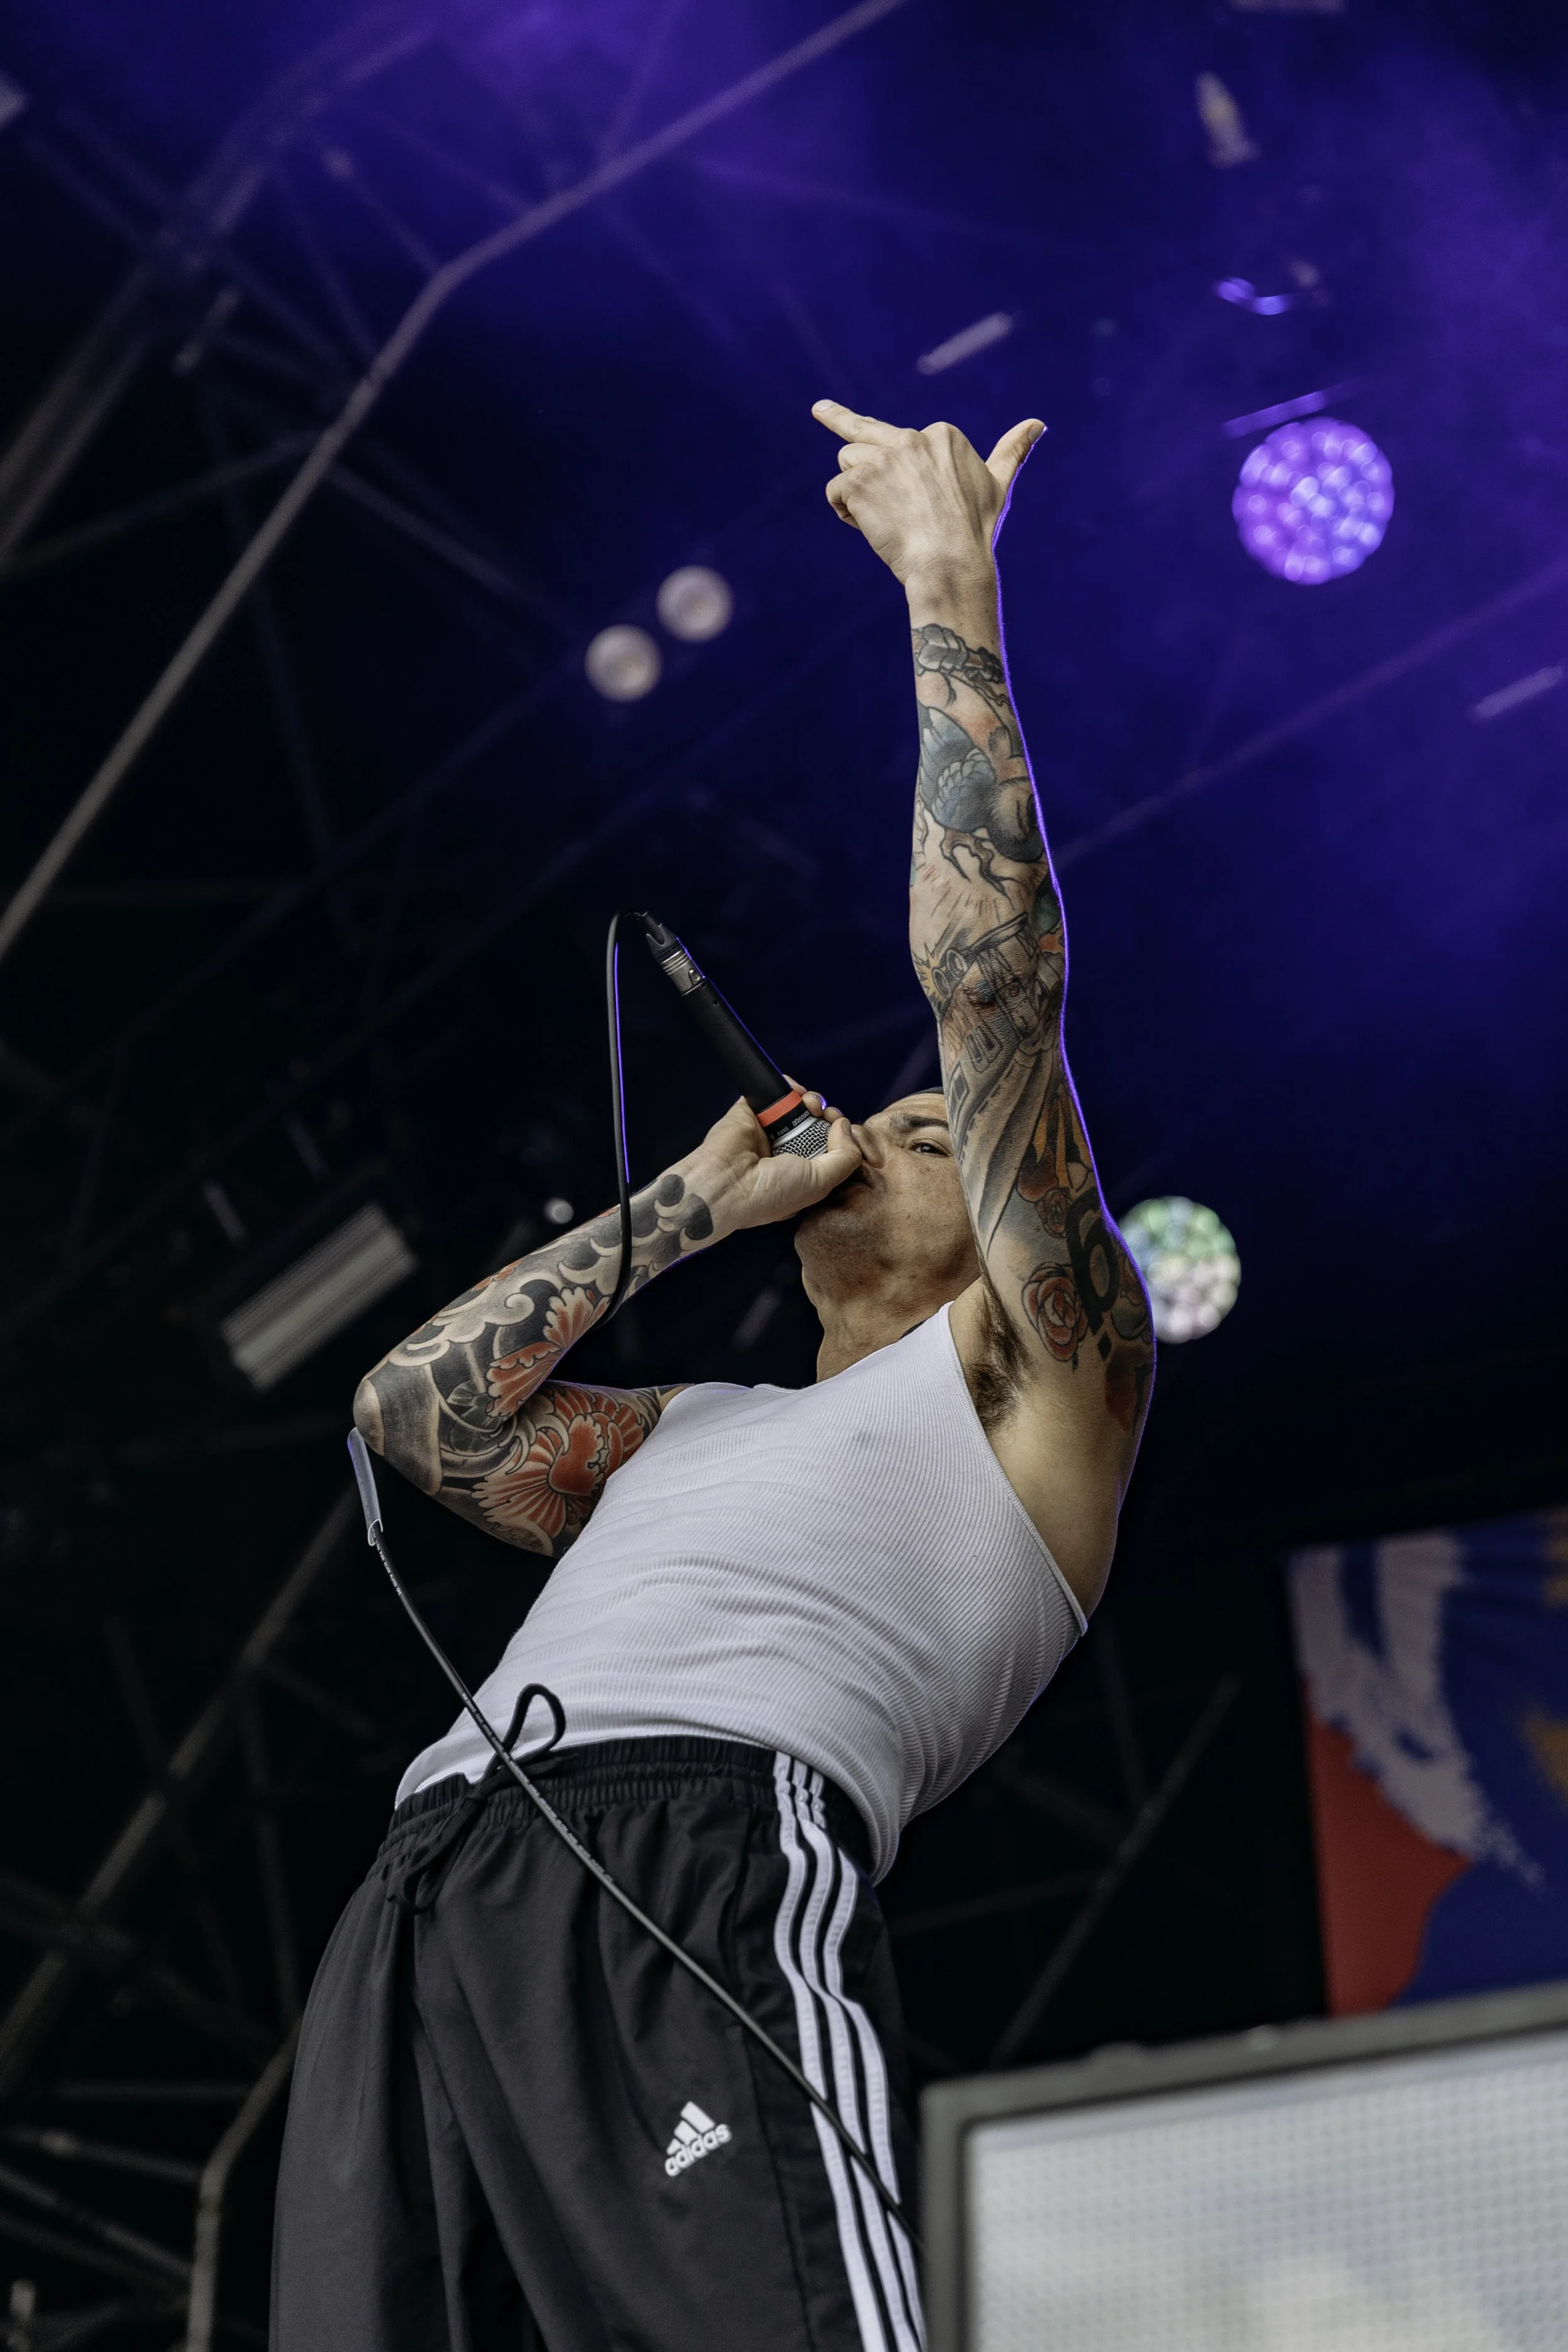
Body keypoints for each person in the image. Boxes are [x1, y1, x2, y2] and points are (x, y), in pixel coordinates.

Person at [272, 401, 1154, 2352]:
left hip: (697, 1837)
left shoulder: (1037, 1375)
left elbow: (991, 998)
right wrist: (686, 1203)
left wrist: (946, 585)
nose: (876, 1133)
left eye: (918, 1135)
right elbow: (410, 1414)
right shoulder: (696, 1425)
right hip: (437, 1876)